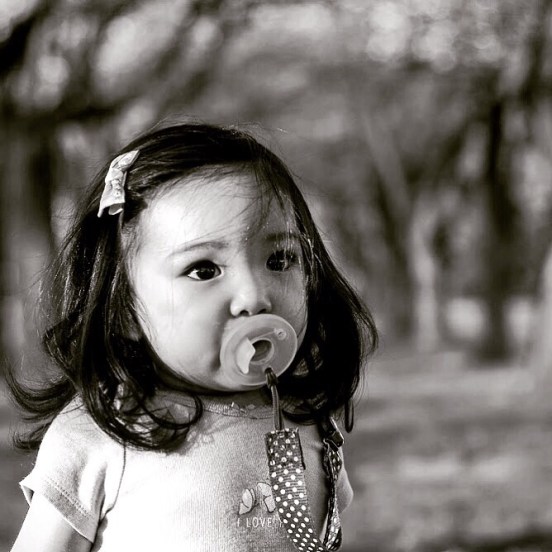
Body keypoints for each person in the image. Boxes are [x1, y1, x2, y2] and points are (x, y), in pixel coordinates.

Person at [8, 122, 377, 552]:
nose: (254, 296)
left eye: (279, 259)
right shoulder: (104, 432)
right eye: (204, 270)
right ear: (122, 308)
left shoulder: (306, 420)